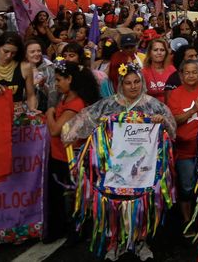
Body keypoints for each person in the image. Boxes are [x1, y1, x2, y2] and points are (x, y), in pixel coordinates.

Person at [62, 64, 176, 261]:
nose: (133, 86)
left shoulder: (153, 105)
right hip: (113, 166)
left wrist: (162, 121)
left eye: (137, 82)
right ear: (120, 84)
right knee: (114, 204)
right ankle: (114, 243)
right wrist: (83, 129)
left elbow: (172, 131)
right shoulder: (108, 104)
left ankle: (140, 242)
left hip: (143, 167)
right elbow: (82, 121)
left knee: (140, 204)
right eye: (128, 83)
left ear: (142, 82)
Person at [44, 61, 100, 243]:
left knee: (71, 196)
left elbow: (55, 130)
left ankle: (75, 231)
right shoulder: (66, 98)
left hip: (69, 158)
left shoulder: (75, 104)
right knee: (64, 196)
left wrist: (49, 114)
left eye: (59, 80)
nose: (56, 84)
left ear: (70, 79)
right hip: (59, 154)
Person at [166, 59, 198, 225]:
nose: (190, 75)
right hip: (184, 150)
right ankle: (187, 221)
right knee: (187, 187)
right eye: (187, 72)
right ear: (181, 75)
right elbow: (173, 121)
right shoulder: (175, 95)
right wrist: (194, 109)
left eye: (194, 72)